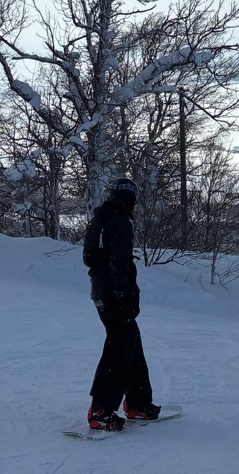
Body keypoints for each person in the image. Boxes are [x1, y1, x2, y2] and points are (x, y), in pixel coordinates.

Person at [81, 176, 162, 432]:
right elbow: (118, 263)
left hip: (102, 292)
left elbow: (89, 257)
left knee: (130, 343)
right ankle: (101, 411)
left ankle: (138, 402)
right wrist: (124, 296)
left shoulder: (101, 219)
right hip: (114, 295)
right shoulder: (119, 222)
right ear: (131, 199)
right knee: (118, 348)